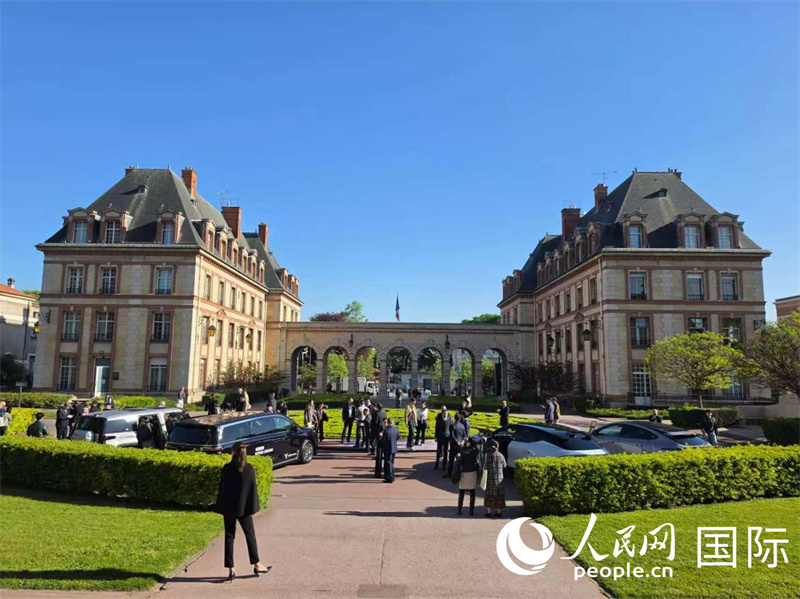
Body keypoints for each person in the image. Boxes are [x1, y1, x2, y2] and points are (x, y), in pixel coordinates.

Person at [216, 443, 271, 581]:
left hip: (229, 508)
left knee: (229, 536)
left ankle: (231, 568)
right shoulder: (249, 469)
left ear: (233, 452)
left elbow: (222, 489)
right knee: (250, 535)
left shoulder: (227, 468)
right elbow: (252, 491)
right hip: (244, 509)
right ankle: (257, 563)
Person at [483, 439, 507, 518]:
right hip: (499, 479)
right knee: (499, 496)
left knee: (489, 496)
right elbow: (505, 465)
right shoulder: (501, 455)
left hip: (490, 479)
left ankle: (489, 512)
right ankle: (499, 512)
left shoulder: (487, 455)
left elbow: (484, 467)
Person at [456, 437, 479, 516]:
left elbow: (460, 462)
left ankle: (459, 510)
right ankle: (471, 510)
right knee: (472, 493)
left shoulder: (463, 451)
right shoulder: (475, 450)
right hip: (472, 472)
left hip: (464, 472)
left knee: (461, 492)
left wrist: (458, 457)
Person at [447, 413, 467, 477]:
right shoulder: (462, 426)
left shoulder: (452, 426)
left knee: (451, 459)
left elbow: (452, 436)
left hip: (454, 445)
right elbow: (464, 435)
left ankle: (449, 473)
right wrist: (462, 441)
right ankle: (459, 473)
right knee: (459, 460)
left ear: (455, 418)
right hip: (460, 445)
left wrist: (457, 442)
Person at [434, 406, 453, 470]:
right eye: (443, 412)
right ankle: (436, 464)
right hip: (440, 437)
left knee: (445, 451)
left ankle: (444, 465)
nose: (444, 413)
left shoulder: (450, 419)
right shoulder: (439, 418)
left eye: (445, 412)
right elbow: (436, 427)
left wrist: (450, 436)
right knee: (438, 451)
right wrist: (436, 437)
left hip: (447, 437)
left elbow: (451, 428)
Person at [382, 418, 400, 483]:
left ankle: (390, 477)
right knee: (392, 463)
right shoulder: (396, 429)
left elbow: (383, 440)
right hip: (394, 448)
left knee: (388, 463)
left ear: (388, 423)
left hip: (387, 448)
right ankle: (392, 476)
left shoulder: (386, 430)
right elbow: (397, 438)